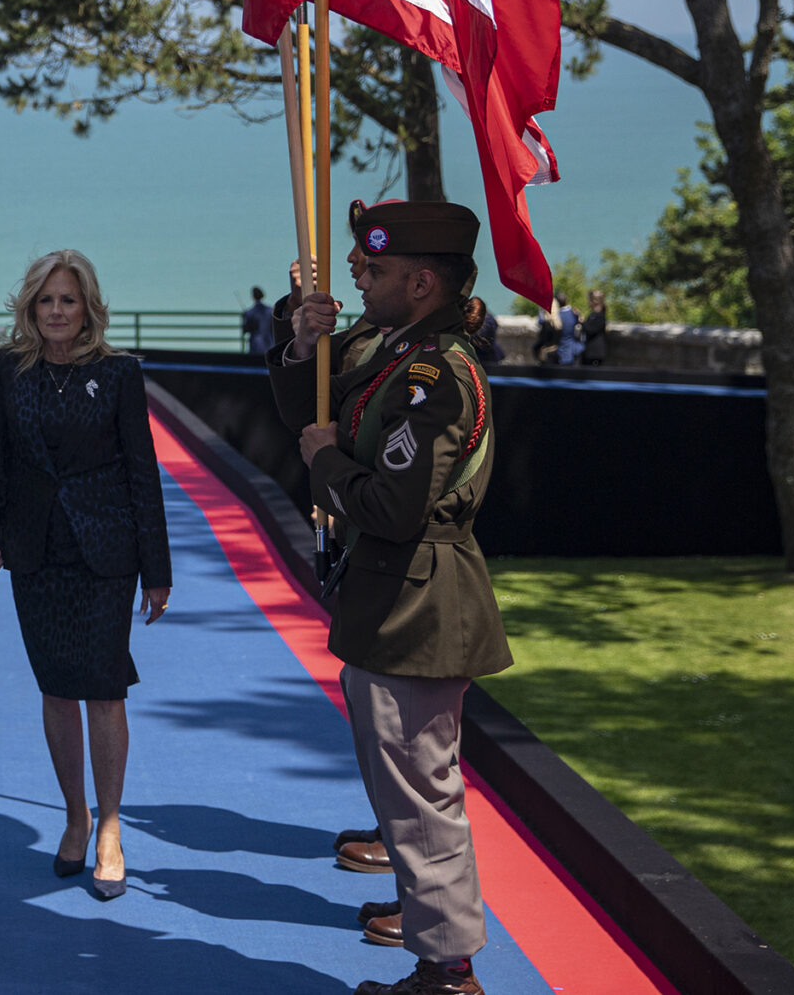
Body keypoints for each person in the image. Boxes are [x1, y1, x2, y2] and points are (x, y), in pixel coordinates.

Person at [281, 198, 513, 995]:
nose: (359, 276)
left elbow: (390, 505)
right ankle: (434, 942)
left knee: (419, 798)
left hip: (417, 600)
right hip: (395, 597)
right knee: (411, 788)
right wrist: (304, 346)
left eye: (374, 270)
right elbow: (319, 409)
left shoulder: (433, 375)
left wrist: (326, 464)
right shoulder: (402, 354)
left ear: (419, 281)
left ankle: (446, 970)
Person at [0, 250, 171, 901]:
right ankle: (75, 815)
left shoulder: (118, 372)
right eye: (46, 301)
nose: (58, 311)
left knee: (104, 686)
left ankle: (112, 828)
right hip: (34, 552)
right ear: (30, 308)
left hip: (106, 552)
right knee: (57, 687)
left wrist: (158, 567)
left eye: (68, 300)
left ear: (88, 307)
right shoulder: (7, 369)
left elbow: (142, 469)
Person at [577, 290, 609, 368]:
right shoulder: (593, 315)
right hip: (590, 352)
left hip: (595, 354)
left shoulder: (600, 316)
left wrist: (582, 322)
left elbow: (591, 329)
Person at [243, 287, 275, 359]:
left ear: (253, 297)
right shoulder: (271, 311)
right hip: (270, 344)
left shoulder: (249, 313)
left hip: (255, 346)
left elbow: (245, 329)